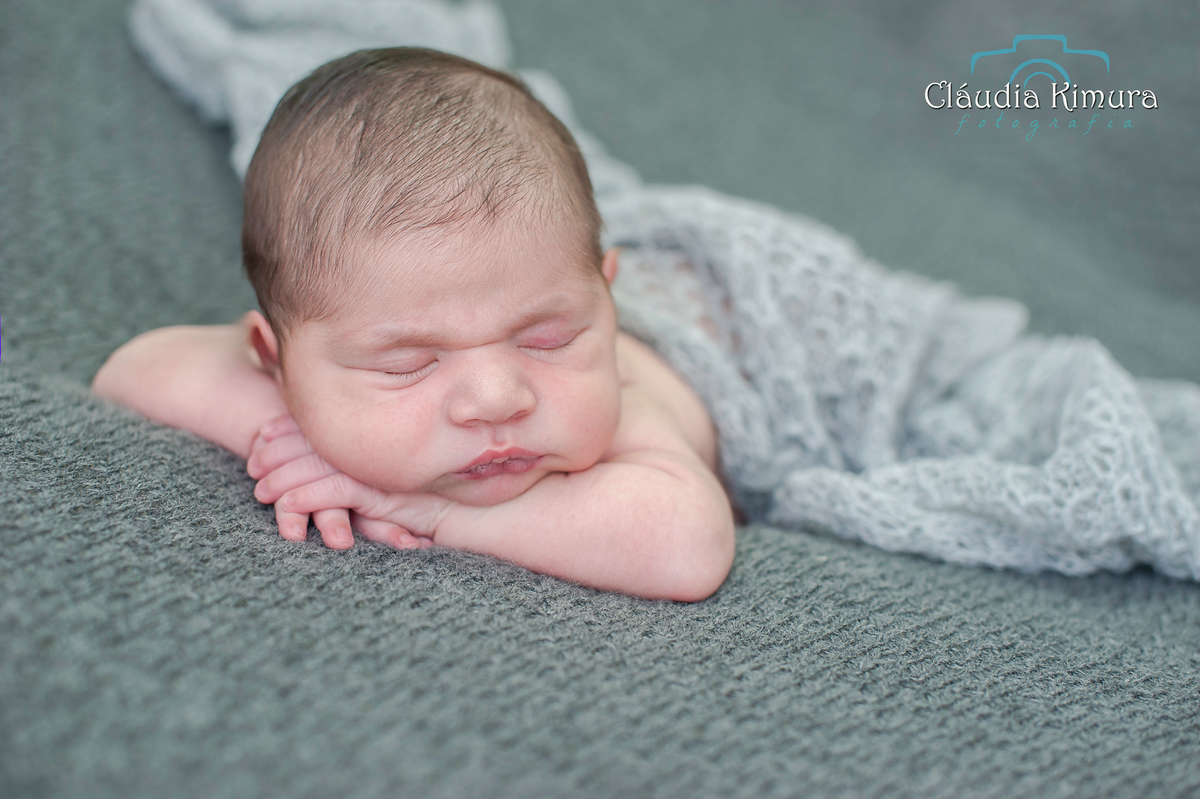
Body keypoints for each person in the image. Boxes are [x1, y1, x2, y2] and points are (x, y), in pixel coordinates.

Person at [91, 47, 736, 603]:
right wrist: (296, 436)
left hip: (730, 333)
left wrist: (424, 508)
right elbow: (135, 368)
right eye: (409, 365)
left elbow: (685, 548)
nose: (496, 399)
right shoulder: (307, 358)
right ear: (275, 360)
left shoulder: (626, 399)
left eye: (548, 339)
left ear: (607, 306)